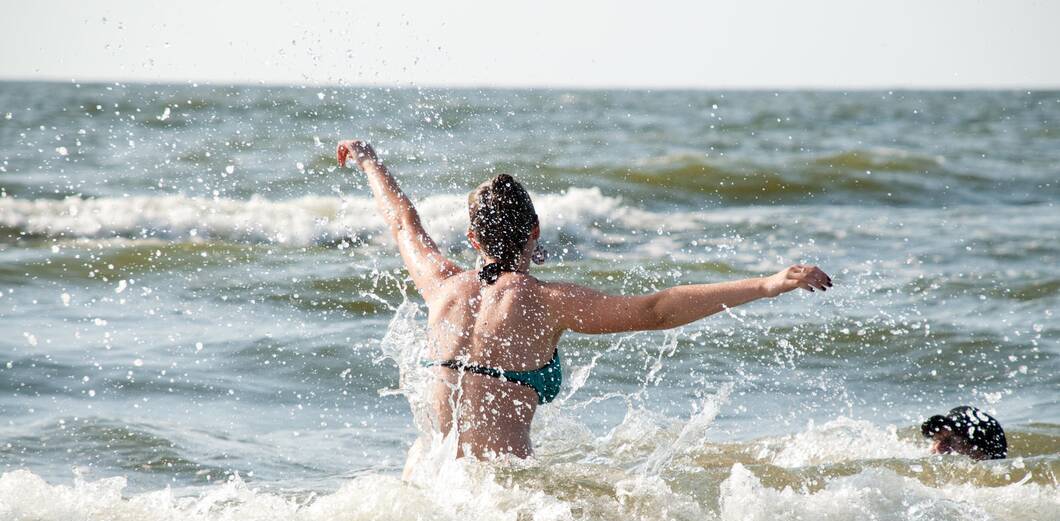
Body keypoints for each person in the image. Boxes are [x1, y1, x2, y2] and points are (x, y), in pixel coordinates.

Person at [337, 139, 834, 459]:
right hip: (498, 495)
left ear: (471, 238)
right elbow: (656, 311)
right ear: (534, 230)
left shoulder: (441, 286)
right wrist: (769, 283)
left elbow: (403, 221)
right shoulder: (549, 301)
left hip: (429, 483)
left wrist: (369, 162)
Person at [921, 406, 1007, 460]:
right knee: (939, 448)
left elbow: (979, 455)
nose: (935, 440)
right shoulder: (949, 422)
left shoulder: (964, 432)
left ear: (943, 430)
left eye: (936, 437)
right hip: (979, 424)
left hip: (994, 441)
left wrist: (962, 449)